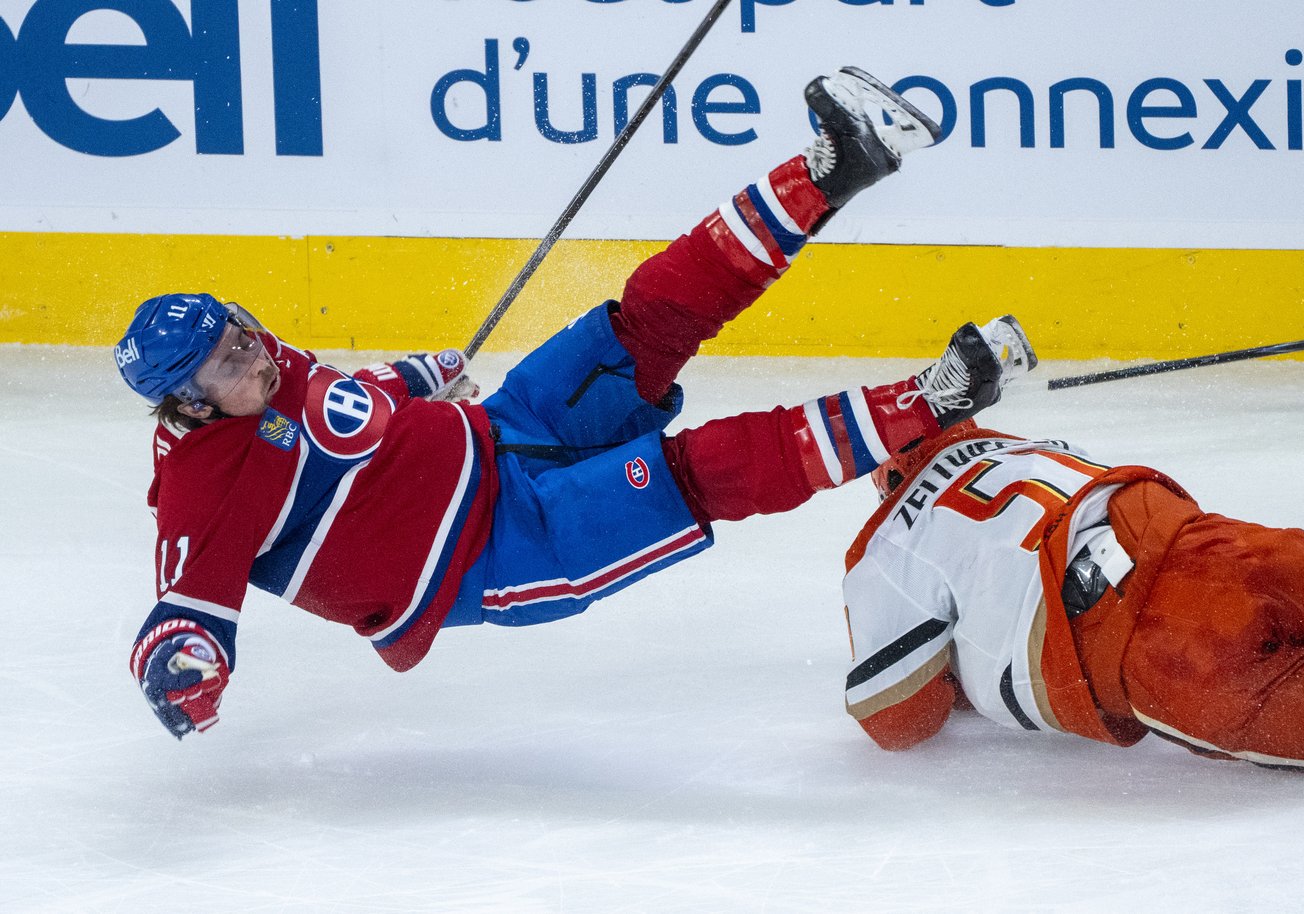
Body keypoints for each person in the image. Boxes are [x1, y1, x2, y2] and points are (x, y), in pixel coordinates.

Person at [116, 67, 1039, 740]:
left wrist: (416, 381)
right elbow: (183, 611)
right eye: (224, 360)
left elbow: (337, 407)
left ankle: (834, 167)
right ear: (188, 411)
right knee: (696, 471)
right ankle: (933, 398)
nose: (249, 350)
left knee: (643, 324)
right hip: (501, 553)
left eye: (239, 329)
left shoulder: (257, 365)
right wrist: (181, 668)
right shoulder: (203, 489)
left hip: (504, 428)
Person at [840, 423, 1304, 772]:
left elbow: (897, 719)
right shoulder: (1031, 445)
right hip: (1212, 544)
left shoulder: (887, 545)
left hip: (1146, 645)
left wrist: (956, 677)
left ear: (885, 478)